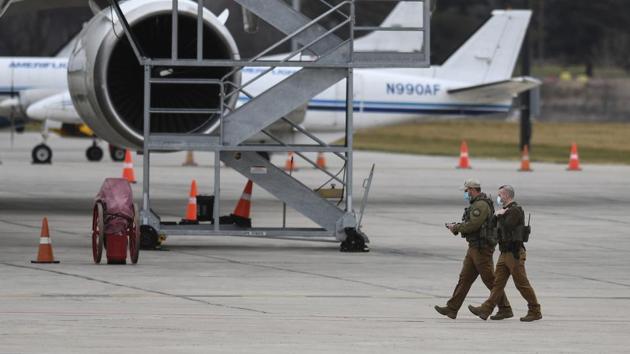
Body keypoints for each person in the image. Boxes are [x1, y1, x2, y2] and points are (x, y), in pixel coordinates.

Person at [435, 179, 512, 320]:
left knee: (490, 279)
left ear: (472, 189)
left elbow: (473, 225)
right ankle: (452, 308)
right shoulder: (477, 204)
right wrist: (457, 226)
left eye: (466, 191)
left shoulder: (481, 205)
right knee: (464, 279)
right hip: (474, 247)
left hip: (482, 248)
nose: (465, 193)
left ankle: (505, 308)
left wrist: (457, 227)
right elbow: (471, 224)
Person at [468, 185, 542, 322]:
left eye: (500, 195)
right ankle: (487, 309)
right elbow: (493, 225)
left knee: (522, 284)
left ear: (507, 195)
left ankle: (535, 310)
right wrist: (497, 215)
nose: (499, 197)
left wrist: (501, 215)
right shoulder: (506, 210)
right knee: (497, 283)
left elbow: (508, 226)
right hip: (504, 252)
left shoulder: (515, 210)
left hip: (514, 253)